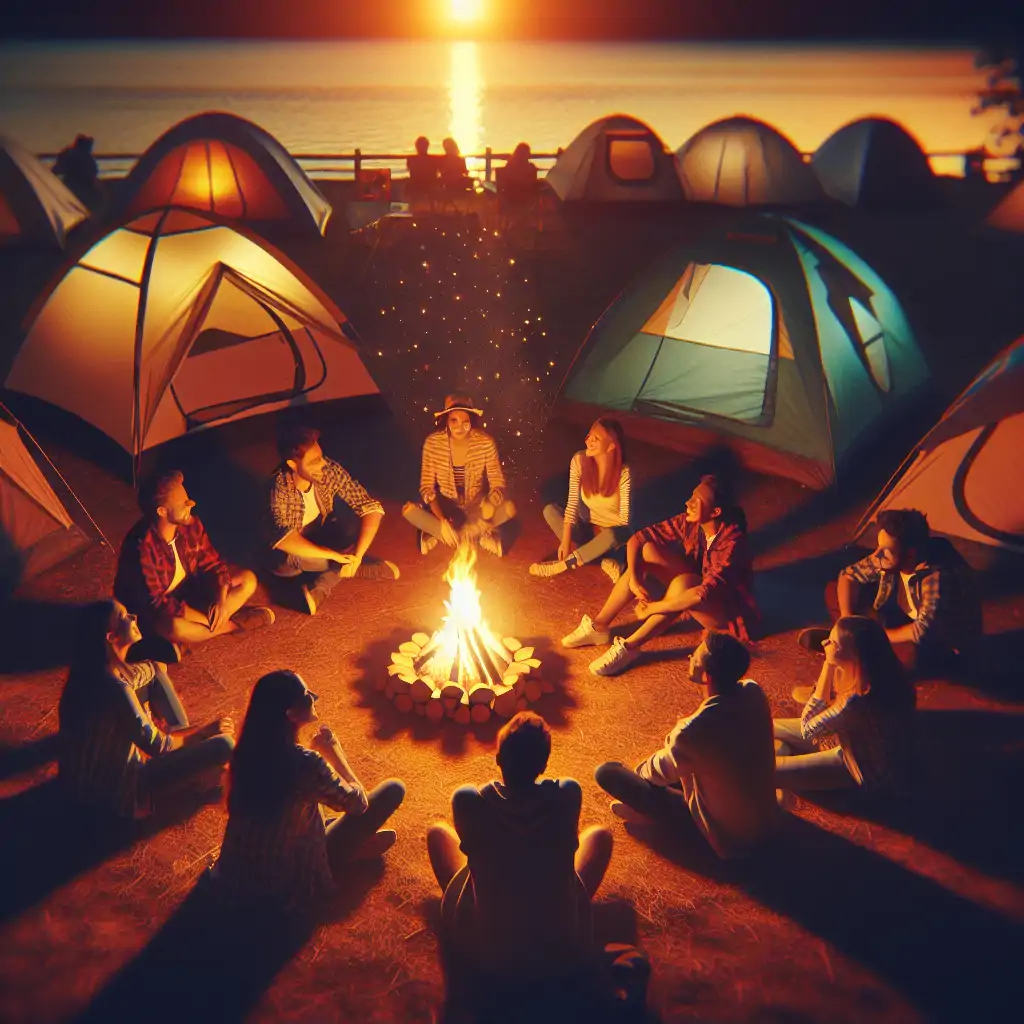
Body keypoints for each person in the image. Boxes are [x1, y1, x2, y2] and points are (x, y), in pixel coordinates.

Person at [426, 712, 613, 985]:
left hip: (487, 955)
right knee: (599, 835)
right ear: (544, 764)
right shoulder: (567, 794)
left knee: (438, 833)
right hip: (561, 952)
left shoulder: (468, 800)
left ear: (498, 759)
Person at [214, 670, 406, 911]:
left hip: (235, 874)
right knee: (393, 790)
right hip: (285, 884)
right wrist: (336, 755)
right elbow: (358, 804)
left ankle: (353, 846)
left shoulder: (245, 753)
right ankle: (348, 854)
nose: (314, 697)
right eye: (306, 697)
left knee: (310, 807)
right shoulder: (305, 763)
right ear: (291, 715)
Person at [594, 631, 778, 859]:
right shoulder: (753, 691)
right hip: (767, 820)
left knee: (608, 772)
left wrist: (637, 776)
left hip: (729, 839)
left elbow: (653, 773)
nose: (690, 658)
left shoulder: (693, 731)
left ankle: (655, 817)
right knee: (698, 767)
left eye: (695, 658)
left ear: (707, 677)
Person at [562, 474, 757, 677]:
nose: (687, 503)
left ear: (715, 512)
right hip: (696, 587)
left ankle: (630, 648)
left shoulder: (732, 543)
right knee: (648, 551)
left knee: (685, 583)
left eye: (696, 501)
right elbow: (638, 539)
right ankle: (599, 626)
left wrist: (653, 608)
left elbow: (701, 594)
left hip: (725, 612)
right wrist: (636, 578)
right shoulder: (690, 522)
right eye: (691, 496)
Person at [59, 600, 235, 819]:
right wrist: (203, 732)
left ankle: (186, 748)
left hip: (82, 783)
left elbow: (150, 672)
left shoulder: (89, 673)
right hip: (116, 791)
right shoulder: (116, 688)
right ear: (111, 637)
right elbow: (158, 745)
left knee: (153, 673)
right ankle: (191, 766)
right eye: (124, 617)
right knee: (224, 744)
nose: (133, 618)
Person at [795, 508, 981, 691]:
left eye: (885, 550)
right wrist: (847, 621)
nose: (877, 555)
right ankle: (850, 644)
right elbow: (848, 576)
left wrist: (867, 636)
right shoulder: (896, 554)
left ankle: (845, 679)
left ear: (910, 554)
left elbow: (921, 632)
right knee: (834, 592)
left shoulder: (939, 576)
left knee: (898, 659)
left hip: (938, 645)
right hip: (902, 618)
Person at [114, 470, 273, 648]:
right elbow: (158, 604)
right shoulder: (142, 548)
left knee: (247, 579)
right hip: (154, 611)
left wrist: (220, 601)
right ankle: (231, 625)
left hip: (188, 589)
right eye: (183, 503)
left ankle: (211, 624)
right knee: (176, 628)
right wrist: (205, 618)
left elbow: (213, 563)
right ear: (162, 511)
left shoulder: (190, 524)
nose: (191, 503)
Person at [776, 616, 917, 793]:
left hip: (857, 764)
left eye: (833, 643)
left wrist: (828, 663)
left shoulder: (858, 700)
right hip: (848, 737)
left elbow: (807, 729)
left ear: (853, 656)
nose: (824, 643)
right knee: (770, 726)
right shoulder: (877, 671)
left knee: (769, 770)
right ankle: (785, 752)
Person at [268, 426, 399, 616]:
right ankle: (328, 579)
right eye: (314, 461)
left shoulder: (326, 469)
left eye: (320, 456)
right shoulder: (279, 487)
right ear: (293, 465)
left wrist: (359, 554)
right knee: (289, 562)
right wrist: (333, 556)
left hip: (317, 534)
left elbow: (368, 506)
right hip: (286, 551)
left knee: (349, 529)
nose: (322, 464)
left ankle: (350, 564)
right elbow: (285, 540)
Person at [402, 393, 516, 557]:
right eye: (454, 420)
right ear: (446, 420)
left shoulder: (485, 443)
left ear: (471, 421)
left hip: (476, 502)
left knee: (507, 509)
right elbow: (427, 487)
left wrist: (491, 503)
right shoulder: (433, 443)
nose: (459, 427)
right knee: (410, 510)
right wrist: (441, 519)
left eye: (465, 421)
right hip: (447, 503)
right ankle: (466, 533)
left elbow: (497, 482)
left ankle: (442, 532)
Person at [529, 418, 631, 580]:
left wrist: (602, 533)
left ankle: (566, 564)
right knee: (550, 511)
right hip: (586, 530)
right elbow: (572, 504)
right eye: (589, 435)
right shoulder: (579, 460)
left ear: (611, 446)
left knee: (614, 534)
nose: (588, 441)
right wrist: (566, 540)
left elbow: (625, 522)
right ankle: (597, 559)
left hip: (611, 539)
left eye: (596, 439)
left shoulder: (624, 474)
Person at [53, 133, 100, 207]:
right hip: (76, 190)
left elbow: (56, 170)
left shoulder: (72, 155)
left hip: (75, 189)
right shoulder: (77, 156)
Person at [406, 135, 439, 207]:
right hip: (430, 184)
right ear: (427, 146)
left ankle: (408, 207)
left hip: (416, 184)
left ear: (416, 147)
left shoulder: (411, 159)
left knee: (405, 186)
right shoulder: (434, 159)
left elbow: (410, 170)